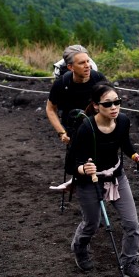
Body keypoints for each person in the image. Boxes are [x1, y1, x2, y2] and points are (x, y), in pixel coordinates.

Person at [70, 82, 139, 277]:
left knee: (132, 224)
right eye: (108, 104)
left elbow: (126, 146)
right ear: (96, 105)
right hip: (89, 181)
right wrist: (84, 168)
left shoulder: (123, 121)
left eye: (117, 102)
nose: (114, 107)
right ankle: (79, 248)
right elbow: (74, 163)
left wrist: (138, 159)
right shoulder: (86, 128)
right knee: (92, 224)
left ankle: (130, 263)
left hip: (116, 176)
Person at [46, 45, 107, 190]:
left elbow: (111, 103)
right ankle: (82, 185)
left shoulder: (98, 79)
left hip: (97, 124)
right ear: (70, 67)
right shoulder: (62, 84)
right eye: (82, 63)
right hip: (72, 128)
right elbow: (50, 109)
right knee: (78, 161)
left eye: (88, 61)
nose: (88, 66)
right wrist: (61, 132)